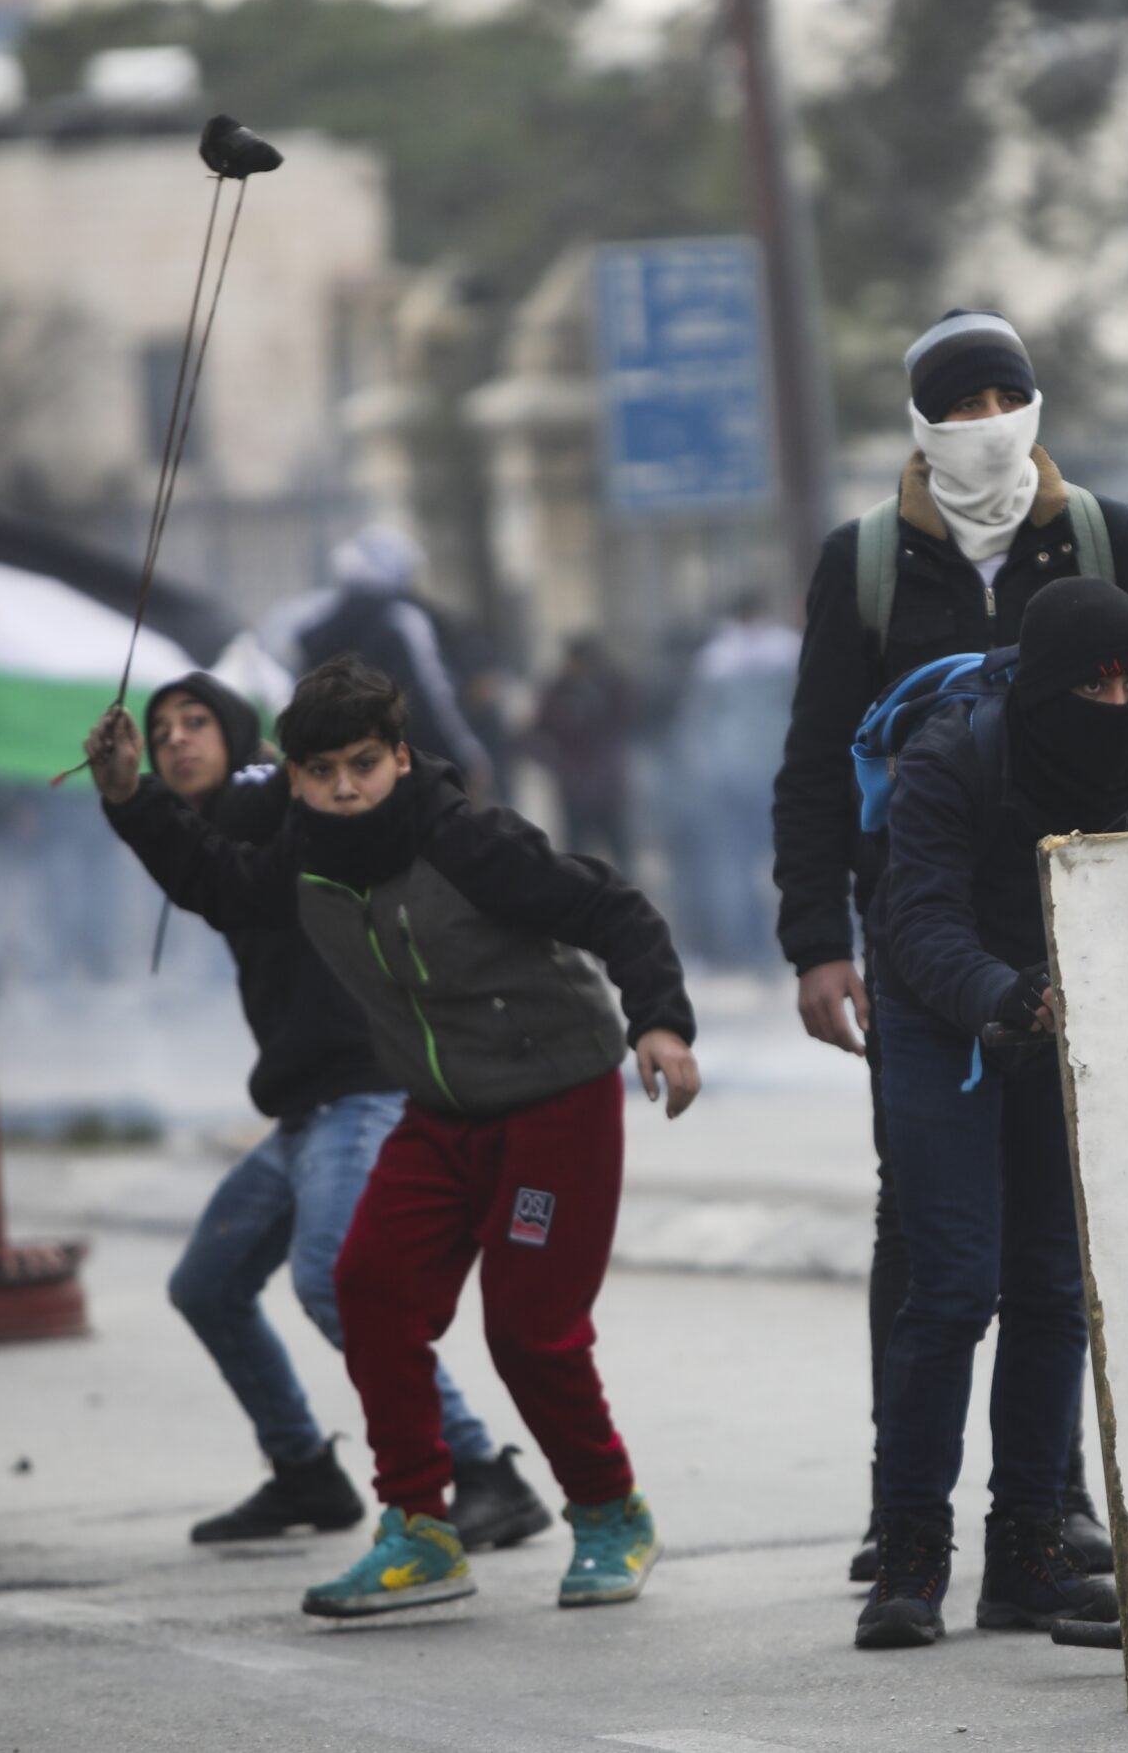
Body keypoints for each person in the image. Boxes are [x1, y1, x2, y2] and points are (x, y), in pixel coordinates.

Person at [85, 656, 701, 1619]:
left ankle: (611, 1512)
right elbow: (219, 882)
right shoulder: (304, 849)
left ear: (400, 759)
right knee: (366, 1285)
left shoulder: (469, 840)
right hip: (441, 1112)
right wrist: (129, 798)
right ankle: (419, 1529)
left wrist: (660, 1019)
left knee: (528, 1330)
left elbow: (610, 904)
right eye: (322, 770)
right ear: (293, 777)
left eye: (364, 765)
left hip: (555, 1104)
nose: (344, 788)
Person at [771, 308, 1128, 1583]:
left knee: (1053, 1243)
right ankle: (907, 1502)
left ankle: (1047, 1502)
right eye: (963, 404)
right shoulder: (869, 564)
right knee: (934, 1240)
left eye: (1009, 397)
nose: (990, 425)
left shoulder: (1099, 538)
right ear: (921, 425)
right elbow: (813, 766)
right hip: (924, 931)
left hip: (1077, 926)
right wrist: (815, 942)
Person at [857, 578, 1128, 1650]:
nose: (1117, 697)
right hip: (948, 1013)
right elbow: (919, 921)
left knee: (1050, 1285)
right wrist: (1007, 996)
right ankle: (905, 1556)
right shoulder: (953, 757)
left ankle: (1027, 1554)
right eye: (1092, 681)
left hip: (1079, 1010)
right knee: (951, 1286)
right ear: (1042, 688)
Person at [130, 672, 548, 1550]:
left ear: (250, 746)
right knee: (206, 1286)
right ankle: (305, 1473)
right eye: (159, 728)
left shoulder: (273, 804)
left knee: (334, 1280)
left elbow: (233, 828)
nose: (174, 740)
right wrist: (126, 796)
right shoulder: (227, 839)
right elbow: (202, 869)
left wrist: (145, 796)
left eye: (196, 721)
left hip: (362, 1094)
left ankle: (480, 1470)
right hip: (301, 1112)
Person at [266, 524, 497, 798]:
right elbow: (433, 698)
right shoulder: (403, 622)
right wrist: (467, 760)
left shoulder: (317, 629)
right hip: (408, 772)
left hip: (336, 782)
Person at [676, 594, 801, 966]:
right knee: (789, 858)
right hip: (782, 767)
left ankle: (750, 948)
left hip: (734, 772)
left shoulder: (716, 659)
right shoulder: (787, 651)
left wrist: (704, 769)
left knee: (739, 863)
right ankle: (786, 942)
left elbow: (699, 724)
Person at [521, 635, 637, 874]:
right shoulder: (557, 690)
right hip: (574, 788)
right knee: (578, 859)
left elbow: (630, 725)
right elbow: (533, 736)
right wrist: (556, 764)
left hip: (609, 788)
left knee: (622, 853)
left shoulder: (614, 686)